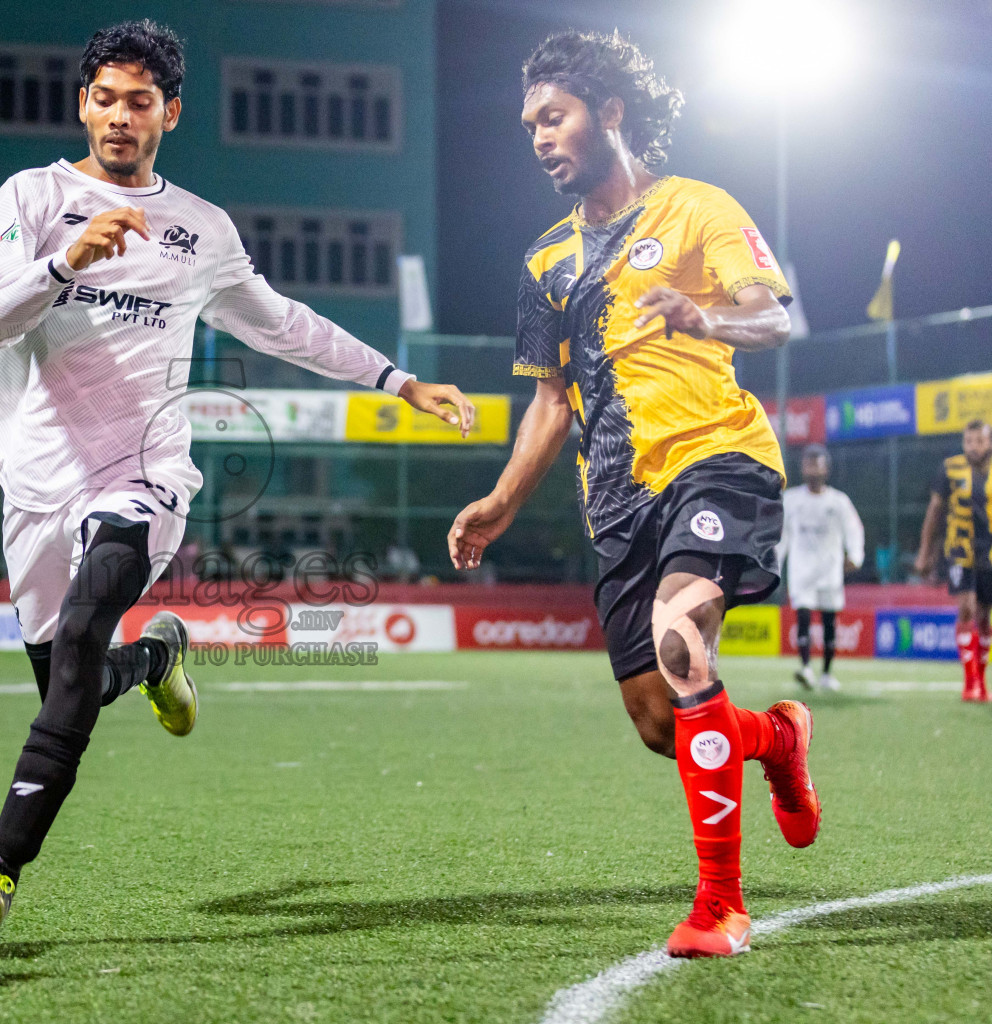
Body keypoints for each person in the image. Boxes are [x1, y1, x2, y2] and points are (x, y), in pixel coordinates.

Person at [0, 18, 475, 951]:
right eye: (105, 98)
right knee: (65, 681)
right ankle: (154, 661)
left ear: (171, 114)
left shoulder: (200, 230)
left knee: (80, 635)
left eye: (140, 102)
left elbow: (284, 324)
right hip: (33, 478)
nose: (120, 116)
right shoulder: (31, 197)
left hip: (143, 472)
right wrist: (68, 263)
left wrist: (398, 380)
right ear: (83, 104)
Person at [448, 30, 819, 959]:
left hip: (718, 459)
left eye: (555, 115)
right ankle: (775, 738)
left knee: (682, 637)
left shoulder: (697, 208)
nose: (538, 136)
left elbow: (778, 315)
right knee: (664, 721)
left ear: (610, 112)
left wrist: (707, 314)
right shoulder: (546, 263)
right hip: (615, 504)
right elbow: (549, 401)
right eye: (530, 122)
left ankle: (721, 906)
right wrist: (501, 500)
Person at [915, 419, 992, 702]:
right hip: (960, 550)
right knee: (968, 609)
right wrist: (925, 552)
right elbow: (935, 511)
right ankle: (970, 680)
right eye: (969, 441)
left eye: (980, 441)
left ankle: (981, 681)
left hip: (990, 554)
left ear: (989, 442)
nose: (974, 447)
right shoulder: (950, 469)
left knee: (985, 617)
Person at [777, 444, 864, 691]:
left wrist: (855, 557)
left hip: (830, 570)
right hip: (801, 570)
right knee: (803, 616)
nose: (812, 468)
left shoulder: (838, 501)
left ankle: (826, 673)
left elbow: (854, 530)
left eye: (817, 463)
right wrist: (775, 561)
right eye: (808, 463)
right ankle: (805, 668)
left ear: (827, 468)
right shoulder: (791, 499)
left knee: (829, 621)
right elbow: (781, 535)